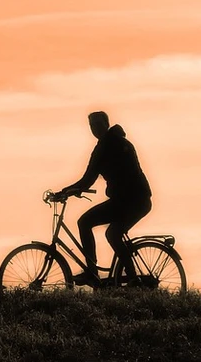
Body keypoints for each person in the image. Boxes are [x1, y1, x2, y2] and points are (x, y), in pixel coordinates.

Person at [54, 111, 152, 286]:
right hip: (134, 200)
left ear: (106, 124)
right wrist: (71, 189)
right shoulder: (118, 142)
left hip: (131, 200)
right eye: (92, 125)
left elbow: (88, 179)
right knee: (113, 234)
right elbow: (89, 178)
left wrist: (66, 191)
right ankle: (128, 277)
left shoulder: (106, 146)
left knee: (87, 223)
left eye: (97, 124)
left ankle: (98, 274)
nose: (95, 128)